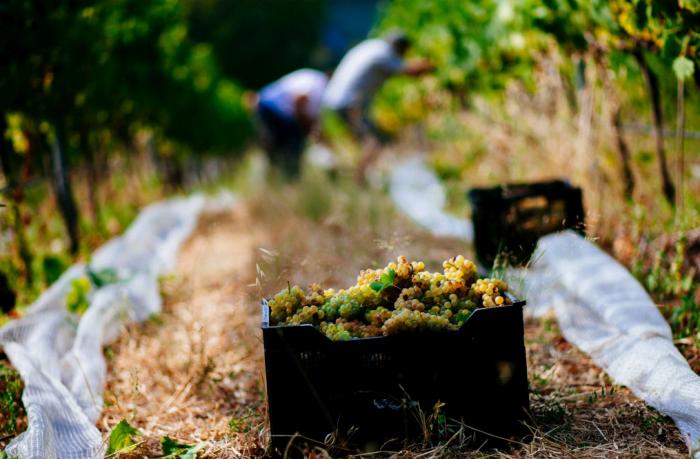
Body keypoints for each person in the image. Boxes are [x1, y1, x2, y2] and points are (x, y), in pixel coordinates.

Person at [322, 33, 432, 181]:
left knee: (363, 139)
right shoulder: (383, 54)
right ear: (399, 48)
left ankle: (347, 173)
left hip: (335, 99)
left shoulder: (372, 46)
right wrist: (433, 64)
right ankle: (358, 178)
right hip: (349, 103)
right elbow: (410, 71)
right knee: (376, 139)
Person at [255, 68, 328, 178]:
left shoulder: (317, 81)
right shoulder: (319, 82)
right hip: (273, 109)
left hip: (270, 106)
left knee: (279, 150)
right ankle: (288, 180)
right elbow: (298, 100)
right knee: (290, 147)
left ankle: (279, 180)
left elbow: (312, 116)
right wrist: (306, 127)